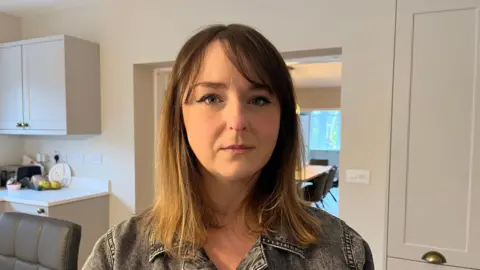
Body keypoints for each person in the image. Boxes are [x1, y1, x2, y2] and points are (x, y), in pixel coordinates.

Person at [83, 24, 374, 270]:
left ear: (282, 120)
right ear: (178, 118)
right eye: (211, 98)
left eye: (258, 99)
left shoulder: (345, 253)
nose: (237, 121)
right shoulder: (117, 255)